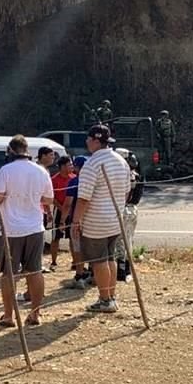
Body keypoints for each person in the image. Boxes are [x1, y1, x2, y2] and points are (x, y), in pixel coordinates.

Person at [0, 135, 54, 327]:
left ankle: (9, 315)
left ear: (11, 150)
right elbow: (49, 199)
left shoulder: (6, 170)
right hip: (35, 227)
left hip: (11, 229)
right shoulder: (41, 171)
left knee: (9, 274)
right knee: (35, 271)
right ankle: (35, 314)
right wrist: (31, 199)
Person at [71, 124, 131, 313]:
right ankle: (110, 296)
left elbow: (83, 198)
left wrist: (76, 221)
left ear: (95, 140)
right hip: (115, 218)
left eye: (88, 139)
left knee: (99, 261)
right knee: (110, 258)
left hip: (96, 220)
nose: (87, 142)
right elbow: (128, 190)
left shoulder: (92, 164)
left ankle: (105, 299)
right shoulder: (121, 161)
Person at [62, 156, 91, 289]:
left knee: (77, 247)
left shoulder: (75, 181)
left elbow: (68, 203)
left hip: (77, 218)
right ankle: (93, 273)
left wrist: (63, 220)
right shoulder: (93, 180)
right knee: (93, 246)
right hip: (92, 219)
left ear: (78, 167)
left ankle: (79, 275)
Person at [116, 149, 143, 283]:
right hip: (133, 209)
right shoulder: (135, 174)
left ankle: (122, 270)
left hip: (125, 208)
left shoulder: (127, 175)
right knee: (129, 240)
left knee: (121, 241)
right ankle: (126, 269)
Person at [49, 156, 75, 271]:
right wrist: (61, 208)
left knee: (73, 237)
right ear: (63, 166)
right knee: (55, 237)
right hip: (58, 211)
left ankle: (75, 261)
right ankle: (54, 261)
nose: (72, 167)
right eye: (69, 165)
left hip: (72, 211)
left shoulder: (74, 178)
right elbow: (52, 197)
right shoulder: (54, 180)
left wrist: (69, 210)